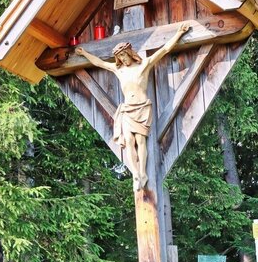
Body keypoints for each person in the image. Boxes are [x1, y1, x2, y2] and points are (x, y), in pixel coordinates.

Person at [75, 23, 190, 190]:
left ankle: (143, 173)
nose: (122, 59)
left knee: (140, 141)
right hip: (128, 110)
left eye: (123, 55)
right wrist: (85, 53)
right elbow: (99, 63)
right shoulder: (118, 69)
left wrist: (178, 33)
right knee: (129, 141)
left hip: (142, 108)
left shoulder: (144, 65)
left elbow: (164, 50)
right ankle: (135, 174)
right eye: (119, 57)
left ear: (129, 52)